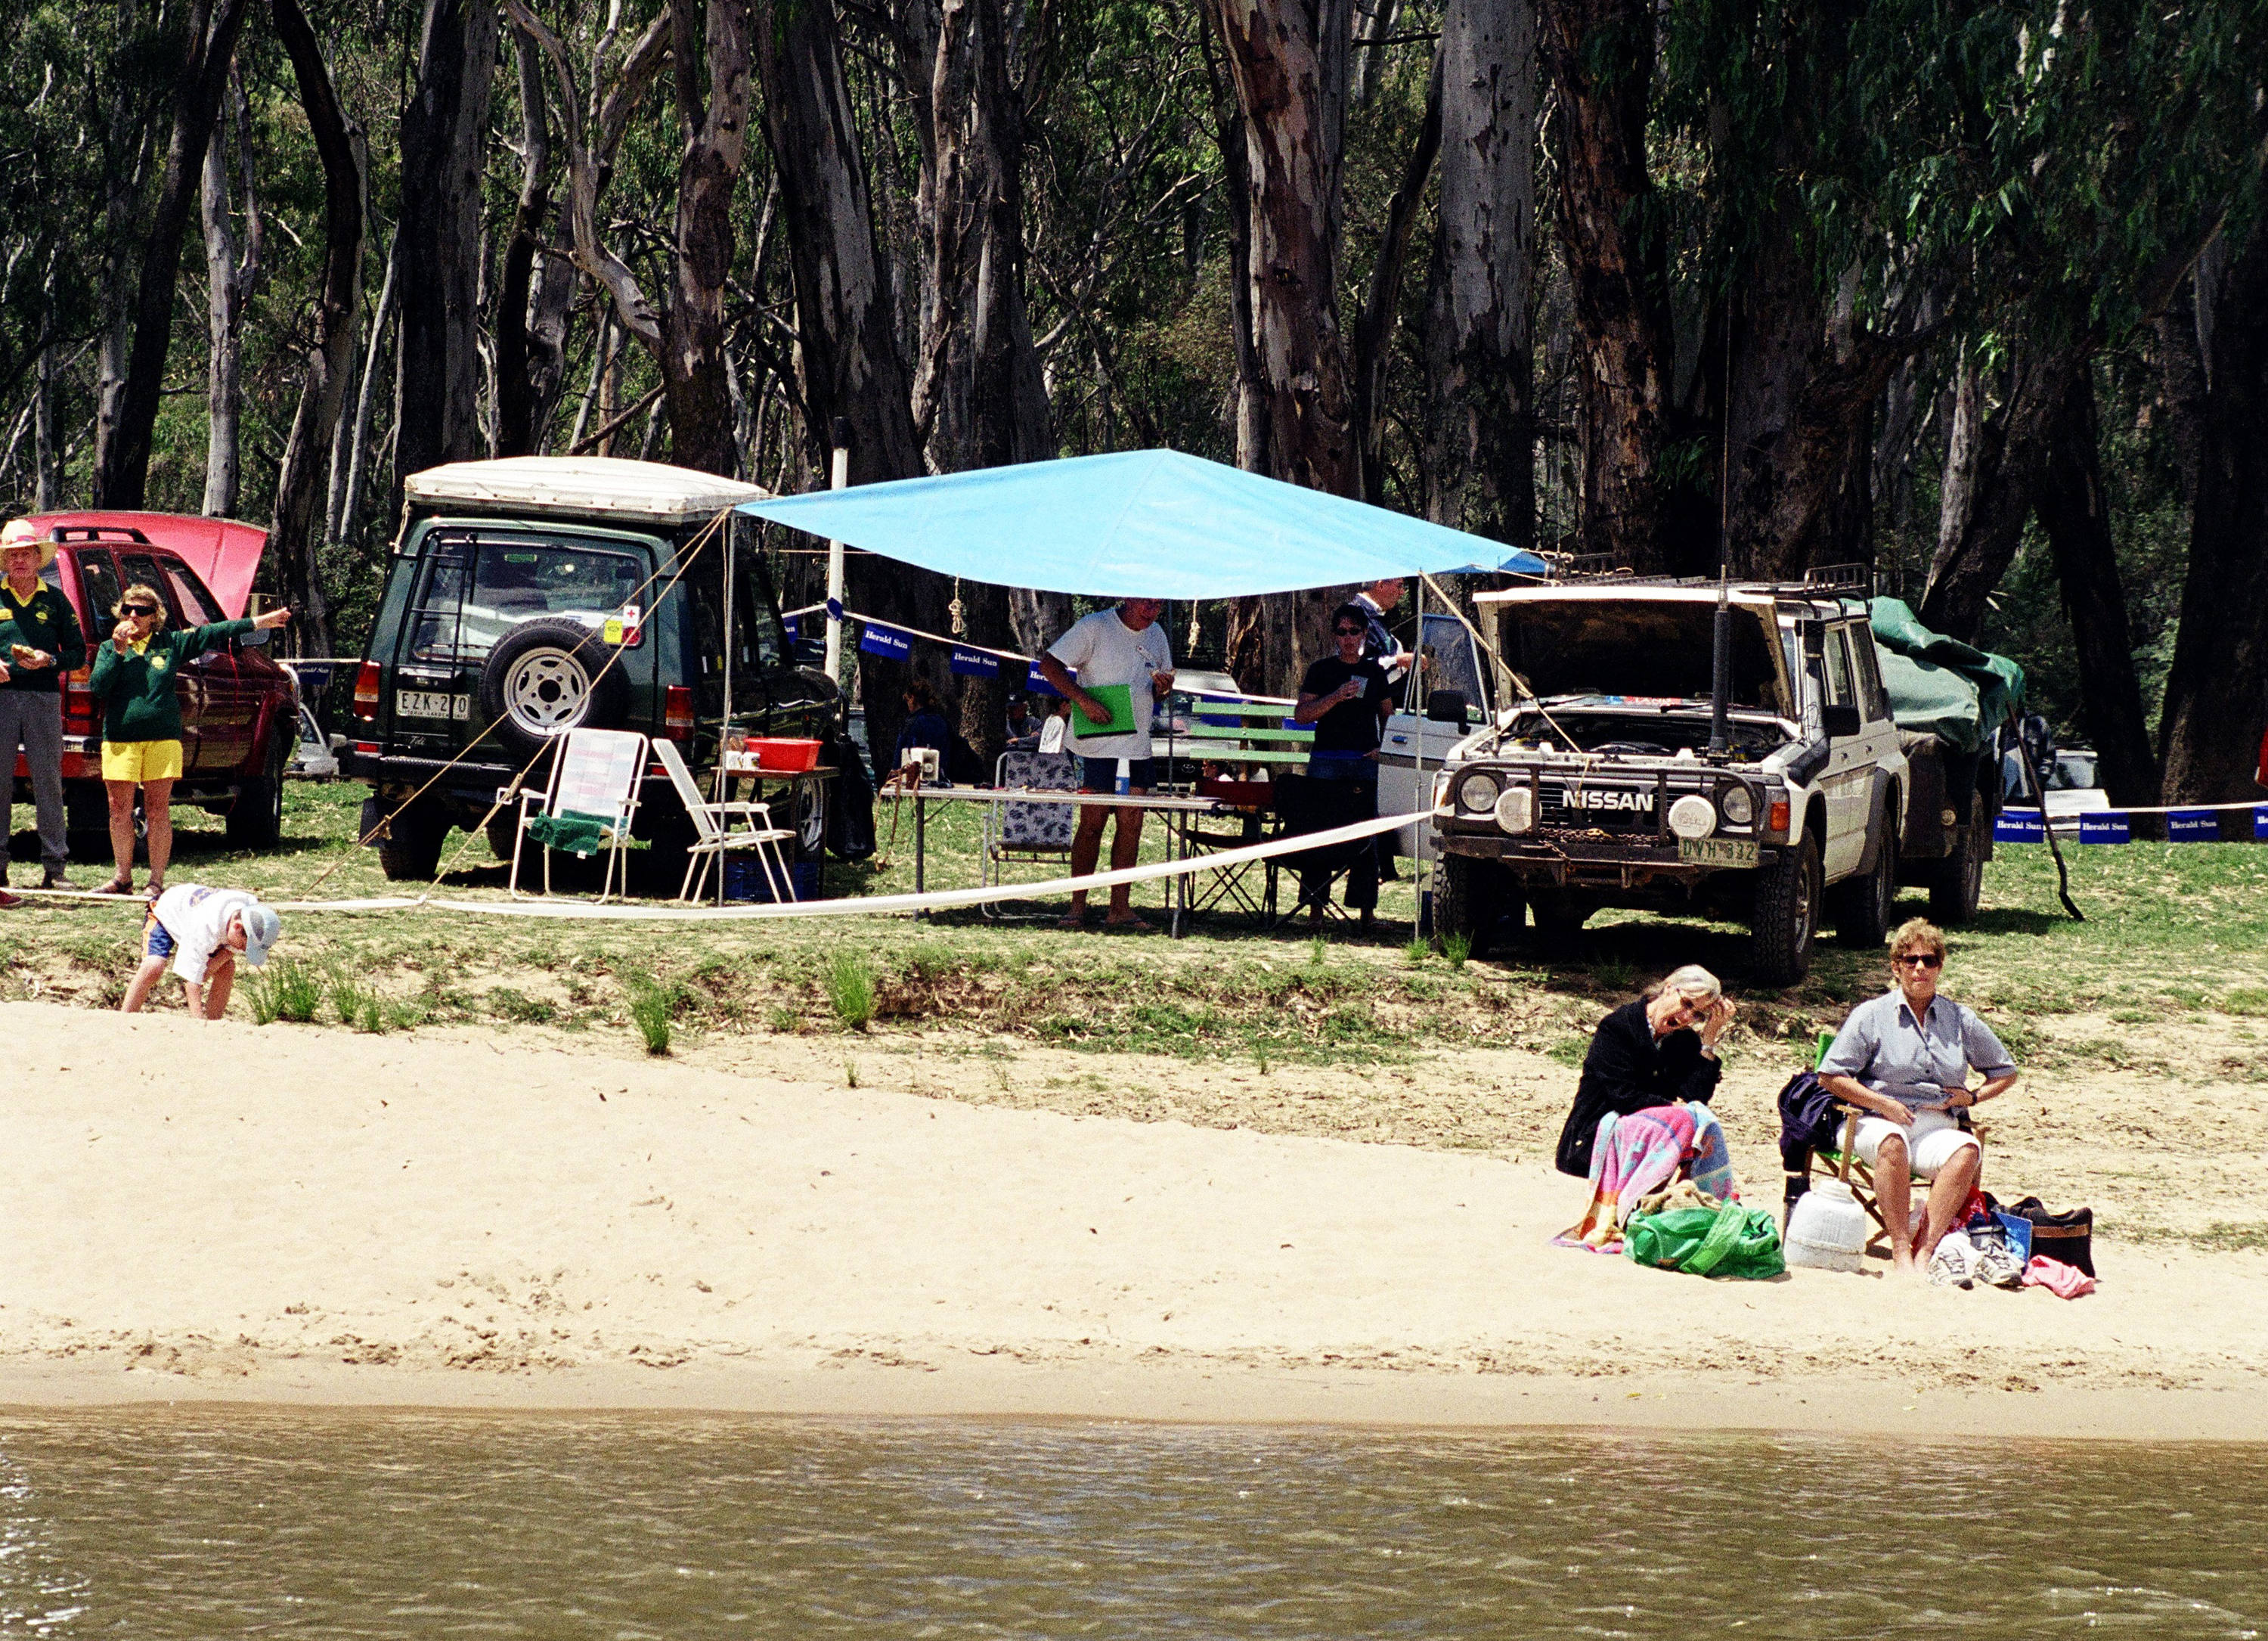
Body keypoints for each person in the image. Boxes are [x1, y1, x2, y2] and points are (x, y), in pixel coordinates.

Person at [1818, 917, 2019, 1275]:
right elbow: (1830, 1075)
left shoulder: (1960, 1019)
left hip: (1933, 1124)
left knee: (1967, 1150)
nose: (1920, 968)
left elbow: (2006, 1072)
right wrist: (1883, 1104)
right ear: (1896, 967)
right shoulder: (1871, 1015)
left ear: (1940, 966)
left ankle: (1925, 1249)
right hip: (1874, 1120)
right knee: (1892, 1142)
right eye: (1911, 960)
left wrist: (1970, 1098)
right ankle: (1900, 1251)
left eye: (1929, 960)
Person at [88, 585, 292, 898]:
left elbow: (215, 631)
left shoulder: (171, 644)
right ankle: (122, 877)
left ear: (154, 616)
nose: (133, 616)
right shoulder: (108, 648)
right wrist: (117, 651)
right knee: (119, 810)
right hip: (120, 739)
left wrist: (261, 621)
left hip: (162, 739)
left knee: (157, 809)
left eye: (142, 611)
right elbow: (100, 687)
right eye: (128, 609)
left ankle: (155, 881)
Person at [1036, 597, 1174, 929]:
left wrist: (1163, 689)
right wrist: (1082, 700)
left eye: (1158, 606)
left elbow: (1160, 691)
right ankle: (1077, 906)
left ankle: (1120, 908)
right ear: (1128, 598)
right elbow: (1049, 666)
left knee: (1131, 825)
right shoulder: (1094, 626)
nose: (1152, 612)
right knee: (1092, 823)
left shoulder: (1157, 635)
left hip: (1137, 746)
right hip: (1095, 745)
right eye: (1147, 604)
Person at [1555, 964, 1737, 1178]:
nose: (1687, 1017)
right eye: (1686, 1004)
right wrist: (1674, 1108)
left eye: (1697, 1014)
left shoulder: (1682, 1039)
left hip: (1650, 1134)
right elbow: (1622, 1096)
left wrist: (1708, 1038)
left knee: (1701, 1121)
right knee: (1685, 1119)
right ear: (1669, 988)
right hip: (1594, 1137)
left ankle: (1694, 1195)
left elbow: (1696, 1097)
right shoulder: (1618, 1027)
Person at [1290, 603, 1393, 927]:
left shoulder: (1375, 672)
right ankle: (1315, 911)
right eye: (1341, 632)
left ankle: (1366, 914)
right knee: (1319, 833)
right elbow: (1302, 715)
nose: (1348, 638)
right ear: (1334, 634)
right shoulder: (1321, 670)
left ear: (1364, 634)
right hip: (1326, 762)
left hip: (1363, 764)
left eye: (1354, 631)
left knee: (1366, 838)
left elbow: (1387, 715)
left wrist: (1383, 748)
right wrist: (1335, 696)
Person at [0, 520, 85, 900]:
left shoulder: (55, 600)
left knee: (48, 780)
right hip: (1, 698)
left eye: (26, 554)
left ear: (38, 559)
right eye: (12, 555)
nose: (19, 561)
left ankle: (56, 867)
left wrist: (50, 660)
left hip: (43, 698)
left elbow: (79, 653)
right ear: (5, 561)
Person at [120, 883, 281, 1019]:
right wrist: (196, 1024)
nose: (244, 951)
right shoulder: (205, 927)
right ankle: (124, 1019)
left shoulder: (251, 913)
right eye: (246, 946)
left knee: (227, 968)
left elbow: (227, 952)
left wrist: (206, 970)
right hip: (166, 910)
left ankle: (213, 1025)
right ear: (237, 927)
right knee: (154, 966)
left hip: (197, 919)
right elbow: (191, 982)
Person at [1348, 577, 1414, 682]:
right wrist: (1399, 661)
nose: (1402, 592)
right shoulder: (1355, 615)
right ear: (1381, 585)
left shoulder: (1375, 616)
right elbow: (1356, 671)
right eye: (1399, 586)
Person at [894, 678, 953, 776]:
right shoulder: (942, 722)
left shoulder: (911, 723)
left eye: (907, 699)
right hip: (940, 774)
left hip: (913, 776)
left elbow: (900, 754)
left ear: (912, 698)